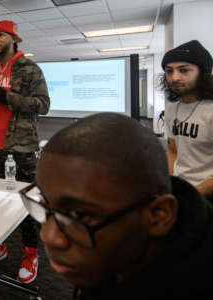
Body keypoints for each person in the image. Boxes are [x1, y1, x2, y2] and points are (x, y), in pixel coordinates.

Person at [19, 112, 213, 299]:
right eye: (44, 203)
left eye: (78, 215)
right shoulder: (113, 258)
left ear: (159, 215)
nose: (48, 236)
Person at [0, 20, 50, 283]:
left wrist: (5, 96)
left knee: (27, 201)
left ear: (13, 38)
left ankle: (30, 253)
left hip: (22, 147)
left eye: (1, 35)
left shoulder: (30, 68)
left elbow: (43, 105)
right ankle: (0, 246)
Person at [161, 40, 213, 201]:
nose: (174, 77)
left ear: (202, 73)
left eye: (184, 70)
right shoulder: (172, 108)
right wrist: (171, 184)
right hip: (181, 191)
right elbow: (172, 150)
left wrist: (191, 196)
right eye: (169, 71)